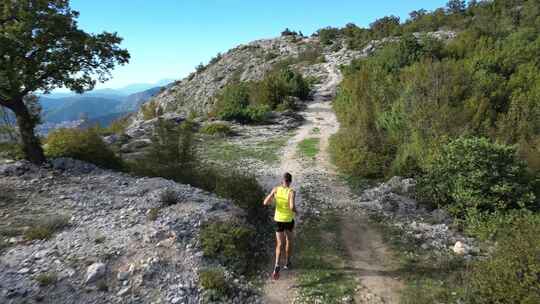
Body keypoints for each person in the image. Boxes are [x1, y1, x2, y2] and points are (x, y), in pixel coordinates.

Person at [263, 172, 296, 280]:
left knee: (279, 243)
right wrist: (296, 211)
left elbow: (265, 202)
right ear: (290, 181)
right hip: (288, 220)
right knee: (289, 241)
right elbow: (291, 207)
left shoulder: (276, 189)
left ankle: (276, 264)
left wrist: (273, 198)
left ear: (282, 180)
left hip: (278, 220)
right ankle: (287, 263)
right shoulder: (291, 192)